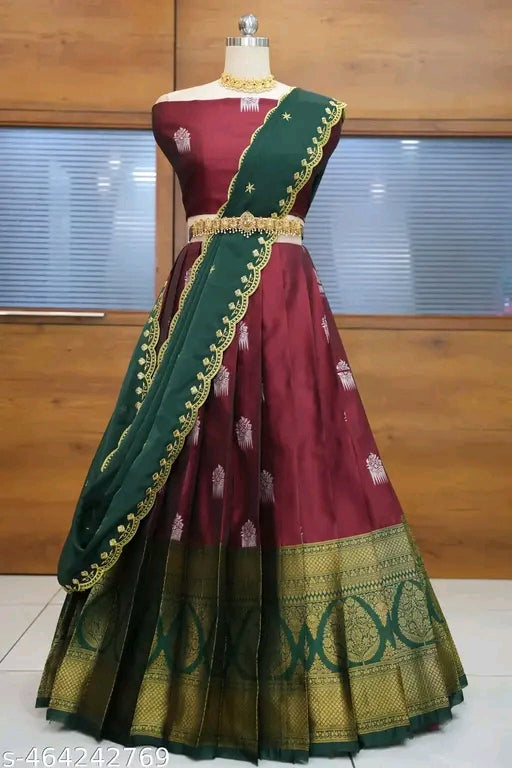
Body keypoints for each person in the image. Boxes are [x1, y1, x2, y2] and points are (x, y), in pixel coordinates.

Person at [36, 15, 467, 763]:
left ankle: (315, 673)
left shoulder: (318, 112)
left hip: (289, 311)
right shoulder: (173, 108)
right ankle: (170, 671)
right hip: (203, 305)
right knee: (184, 467)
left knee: (303, 457)